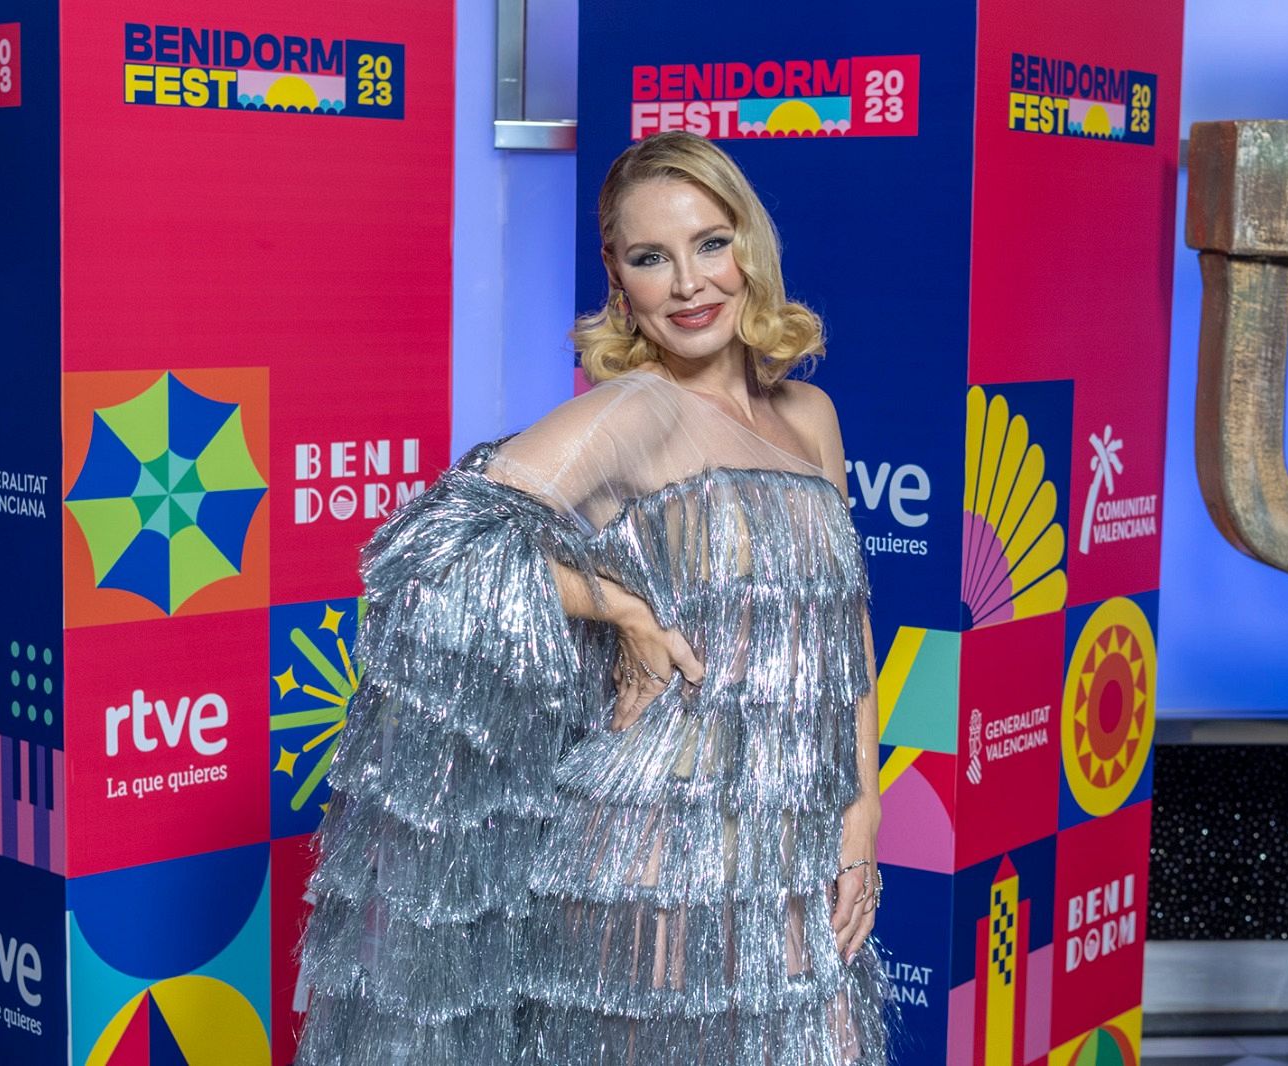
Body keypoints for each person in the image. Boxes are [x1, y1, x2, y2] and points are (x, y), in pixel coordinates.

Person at [295, 130, 893, 1065]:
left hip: (798, 848)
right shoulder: (634, 411)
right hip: (656, 860)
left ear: (750, 245)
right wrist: (617, 608)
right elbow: (427, 557)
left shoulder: (809, 417)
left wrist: (864, 808)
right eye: (651, 258)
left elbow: (844, 627)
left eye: (710, 243)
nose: (689, 284)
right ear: (619, 278)